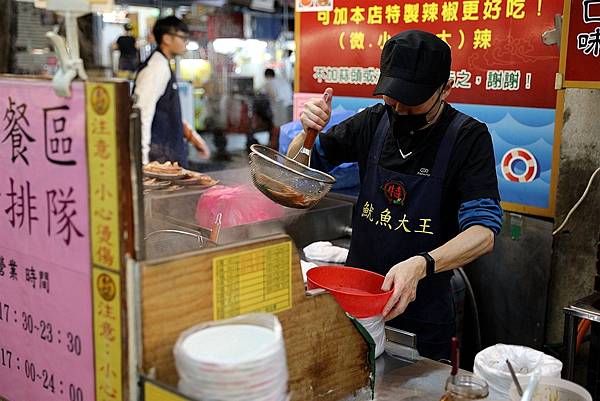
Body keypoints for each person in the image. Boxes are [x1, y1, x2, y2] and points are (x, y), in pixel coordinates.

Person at [289, 30, 503, 360]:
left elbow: (483, 233)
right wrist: (308, 134)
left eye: (412, 101)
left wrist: (422, 264)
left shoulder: (468, 138)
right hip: (356, 302)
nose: (400, 110)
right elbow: (297, 172)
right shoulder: (373, 122)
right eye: (393, 98)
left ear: (445, 89)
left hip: (424, 314)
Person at [133, 16, 210, 167]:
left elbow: (166, 110)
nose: (185, 43)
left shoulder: (163, 64)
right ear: (167, 39)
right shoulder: (156, 68)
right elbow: (142, 115)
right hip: (159, 161)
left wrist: (192, 136)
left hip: (167, 158)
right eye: (182, 37)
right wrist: (142, 163)